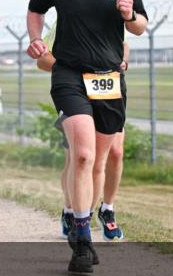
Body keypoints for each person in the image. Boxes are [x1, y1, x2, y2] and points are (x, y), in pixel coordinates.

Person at [27, 0, 146, 274]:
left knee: (99, 161)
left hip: (109, 79)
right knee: (81, 155)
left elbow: (140, 27)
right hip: (69, 75)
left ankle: (86, 215)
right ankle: (81, 236)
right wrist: (36, 38)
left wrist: (129, 16)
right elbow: (36, 9)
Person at [38, 32, 129, 241]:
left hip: (108, 89)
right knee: (78, 158)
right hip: (75, 95)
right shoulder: (66, 17)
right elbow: (42, 59)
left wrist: (122, 61)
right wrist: (73, 71)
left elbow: (124, 44)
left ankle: (107, 209)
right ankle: (72, 212)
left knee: (115, 152)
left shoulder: (109, 9)